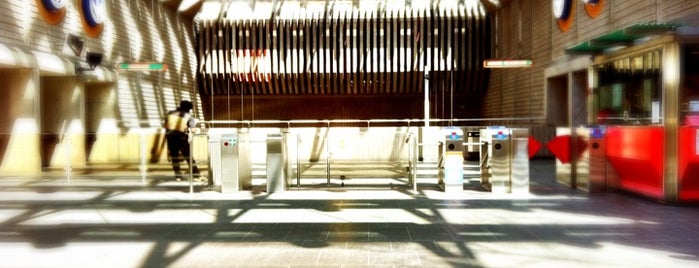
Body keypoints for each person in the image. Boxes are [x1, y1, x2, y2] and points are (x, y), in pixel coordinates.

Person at [164, 100, 200, 180]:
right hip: (181, 139)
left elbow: (166, 126)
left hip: (170, 138)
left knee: (174, 157)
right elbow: (193, 130)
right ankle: (196, 174)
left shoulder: (170, 113)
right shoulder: (188, 116)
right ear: (188, 108)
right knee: (189, 157)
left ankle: (178, 176)